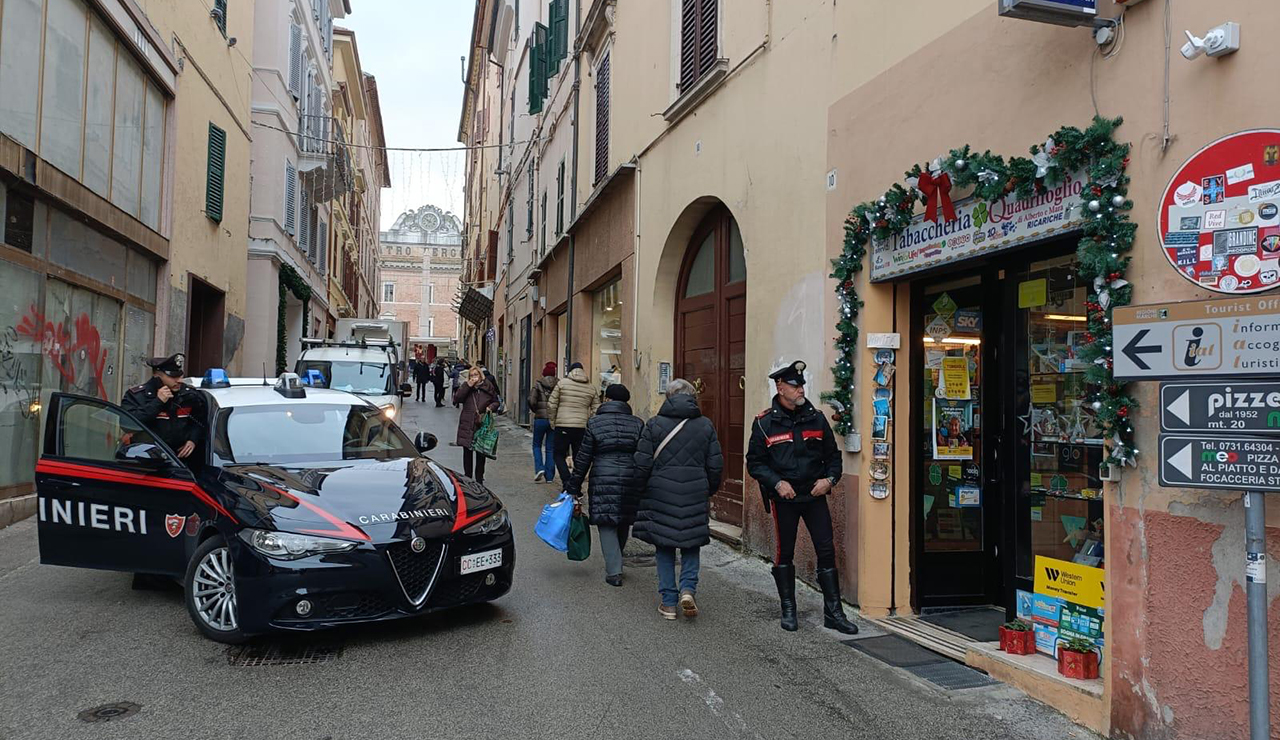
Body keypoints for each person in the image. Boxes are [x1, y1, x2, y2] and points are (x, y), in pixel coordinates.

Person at [746, 360, 858, 635]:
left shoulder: (816, 418)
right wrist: (777, 483)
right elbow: (755, 463)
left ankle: (834, 613)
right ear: (780, 387)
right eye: (795, 386)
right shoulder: (765, 423)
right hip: (785, 498)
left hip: (814, 495)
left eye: (802, 384)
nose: (801, 389)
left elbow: (834, 458)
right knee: (785, 552)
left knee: (826, 550)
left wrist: (829, 481)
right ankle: (788, 608)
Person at [633, 379, 723, 620]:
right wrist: (708, 489)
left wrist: (641, 491)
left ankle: (669, 602)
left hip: (660, 492)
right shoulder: (705, 425)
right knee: (691, 544)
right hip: (695, 490)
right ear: (693, 398)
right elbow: (715, 464)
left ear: (668, 397)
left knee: (664, 546)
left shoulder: (654, 425)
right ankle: (688, 589)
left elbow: (641, 464)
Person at [567, 383, 644, 586]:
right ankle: (616, 561)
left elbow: (584, 457)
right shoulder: (637, 423)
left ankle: (614, 571)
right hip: (630, 476)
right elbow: (644, 455)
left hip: (602, 476)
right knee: (623, 519)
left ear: (607, 400)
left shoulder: (595, 423)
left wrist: (574, 484)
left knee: (606, 521)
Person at [121, 353, 204, 464]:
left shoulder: (188, 395)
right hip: (146, 459)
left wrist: (193, 439)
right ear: (157, 376)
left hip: (180, 460)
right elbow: (127, 424)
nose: (179, 380)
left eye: (180, 376)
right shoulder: (137, 395)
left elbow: (199, 421)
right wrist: (158, 402)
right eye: (173, 377)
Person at [547, 362, 600, 486]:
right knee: (579, 457)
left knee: (558, 454)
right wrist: (589, 423)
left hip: (563, 425)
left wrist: (553, 422)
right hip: (581, 427)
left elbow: (551, 404)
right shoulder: (591, 387)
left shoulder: (562, 384)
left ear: (570, 371)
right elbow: (596, 409)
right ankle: (576, 484)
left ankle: (566, 480)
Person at [453, 366, 500, 484]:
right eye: (472, 375)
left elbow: (496, 401)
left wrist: (491, 407)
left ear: (480, 376)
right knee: (467, 452)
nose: (474, 377)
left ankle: (479, 478)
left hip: (482, 423)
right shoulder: (466, 387)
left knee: (481, 453)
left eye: (476, 375)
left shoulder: (488, 387)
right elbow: (457, 398)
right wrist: (467, 385)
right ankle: (468, 477)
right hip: (467, 422)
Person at [527, 362, 559, 483]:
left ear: (544, 373)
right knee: (550, 447)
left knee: (536, 445)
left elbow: (531, 399)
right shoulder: (559, 384)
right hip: (553, 419)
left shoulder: (538, 384)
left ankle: (539, 468)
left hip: (540, 418)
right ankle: (550, 476)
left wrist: (535, 410)